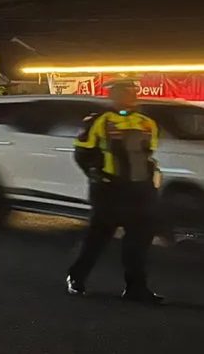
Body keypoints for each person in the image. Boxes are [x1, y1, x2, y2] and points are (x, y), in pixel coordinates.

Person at [66, 78, 163, 303]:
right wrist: (96, 174)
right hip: (109, 189)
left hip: (140, 190)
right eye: (122, 92)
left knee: (138, 242)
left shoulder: (146, 122)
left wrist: (150, 184)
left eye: (131, 91)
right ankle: (76, 277)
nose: (129, 96)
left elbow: (148, 154)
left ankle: (136, 288)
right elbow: (82, 151)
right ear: (112, 95)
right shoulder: (99, 120)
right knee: (97, 238)